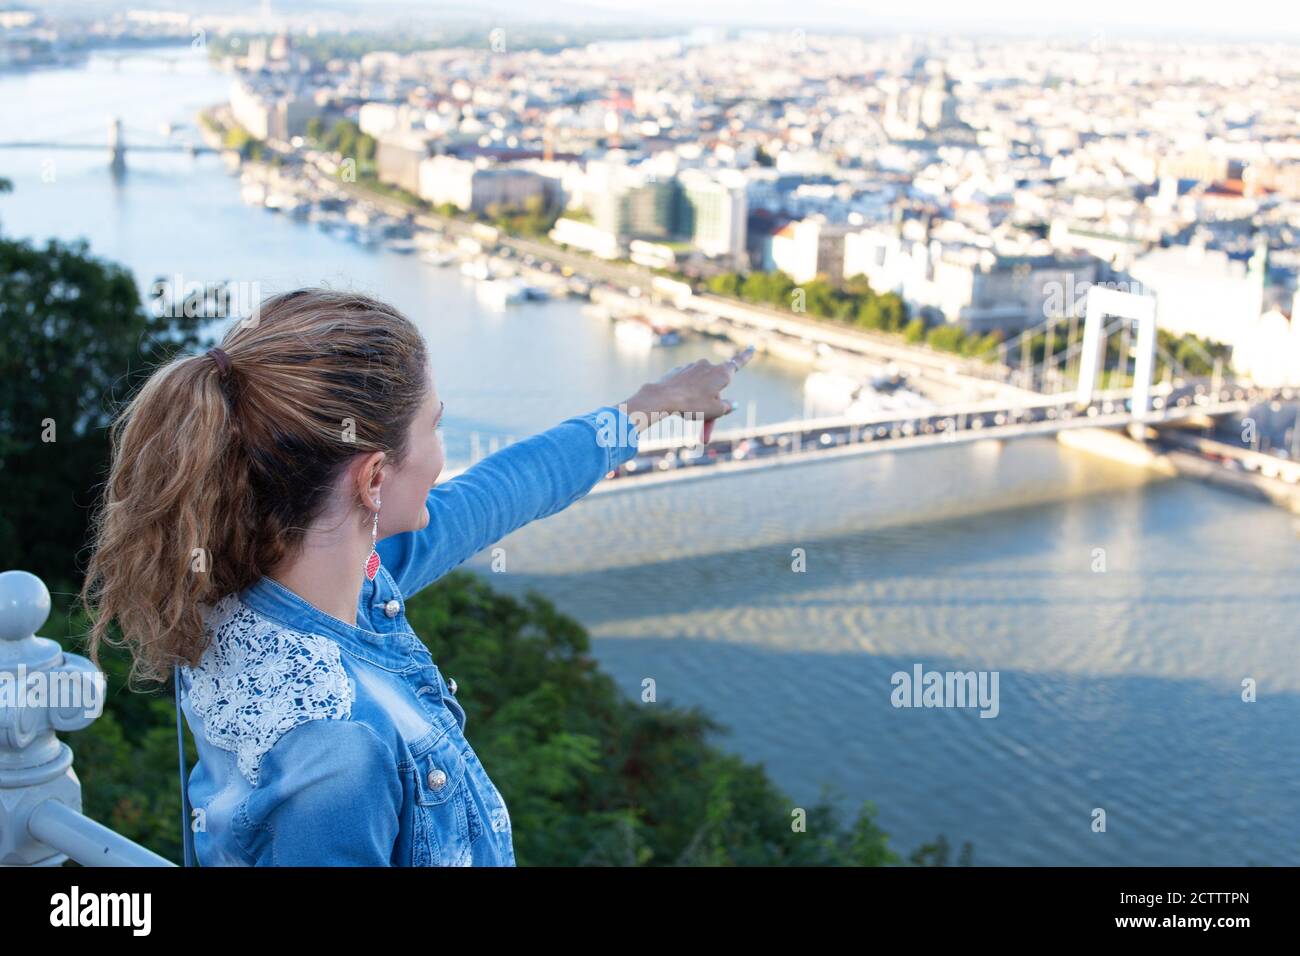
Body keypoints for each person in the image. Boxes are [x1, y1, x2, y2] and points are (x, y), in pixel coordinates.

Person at [79, 288, 752, 866]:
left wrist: (650, 406)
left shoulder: (260, 578)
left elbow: (502, 492)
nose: (442, 454)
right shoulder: (338, 752)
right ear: (374, 477)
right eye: (434, 427)